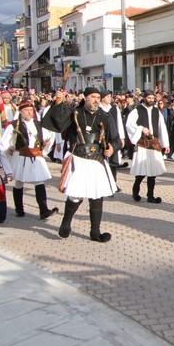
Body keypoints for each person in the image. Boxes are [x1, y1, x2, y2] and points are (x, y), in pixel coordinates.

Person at [41, 88, 120, 242]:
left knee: (97, 197)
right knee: (75, 195)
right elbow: (57, 125)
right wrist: (57, 102)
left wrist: (113, 148)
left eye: (98, 97)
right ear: (85, 97)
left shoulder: (105, 116)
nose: (96, 100)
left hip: (97, 160)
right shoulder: (74, 113)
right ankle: (66, 223)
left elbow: (115, 138)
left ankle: (95, 232)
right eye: (93, 97)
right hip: (79, 158)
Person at [0, 99, 58, 219]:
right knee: (19, 181)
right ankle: (19, 209)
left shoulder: (38, 124)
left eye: (31, 110)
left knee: (39, 181)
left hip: (36, 156)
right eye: (26, 110)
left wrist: (47, 142)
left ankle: (43, 210)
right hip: (21, 156)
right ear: (21, 112)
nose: (29, 112)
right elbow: (4, 143)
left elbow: (47, 136)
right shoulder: (13, 125)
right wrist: (9, 148)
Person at [125, 90, 170, 203]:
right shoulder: (137, 110)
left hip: (154, 143)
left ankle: (150, 196)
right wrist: (141, 128)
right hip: (142, 143)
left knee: (152, 173)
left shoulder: (156, 111)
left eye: (152, 98)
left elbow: (162, 128)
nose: (150, 100)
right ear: (144, 98)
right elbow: (129, 124)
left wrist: (165, 144)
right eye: (148, 98)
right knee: (141, 171)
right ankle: (135, 192)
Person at [99, 90, 126, 187]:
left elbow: (119, 123)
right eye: (107, 96)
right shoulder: (98, 109)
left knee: (113, 162)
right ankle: (104, 183)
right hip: (102, 139)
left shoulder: (114, 109)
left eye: (110, 96)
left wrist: (121, 138)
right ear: (102, 98)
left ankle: (113, 183)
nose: (110, 98)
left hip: (113, 138)